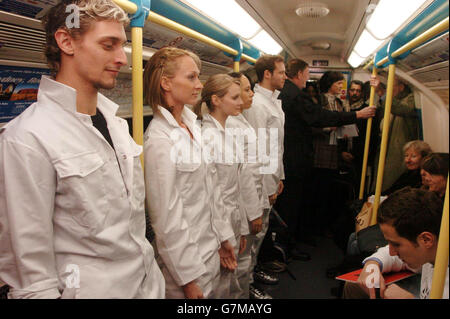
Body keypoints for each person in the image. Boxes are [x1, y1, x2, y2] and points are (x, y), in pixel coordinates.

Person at [0, 0, 165, 298]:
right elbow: (32, 280)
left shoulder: (115, 124)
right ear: (66, 42)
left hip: (148, 286)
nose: (122, 59)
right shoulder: (27, 139)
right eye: (108, 45)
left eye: (122, 46)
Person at [143, 47, 236, 299]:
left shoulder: (191, 127)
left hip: (212, 250)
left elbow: (212, 190)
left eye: (199, 77)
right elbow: (165, 218)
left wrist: (224, 237)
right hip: (187, 266)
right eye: (191, 77)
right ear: (166, 83)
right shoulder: (159, 139)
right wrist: (187, 278)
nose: (199, 84)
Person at [276, 58, 376, 260]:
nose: (307, 79)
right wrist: (357, 115)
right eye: (306, 74)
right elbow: (319, 117)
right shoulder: (295, 95)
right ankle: (285, 247)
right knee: (292, 205)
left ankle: (290, 242)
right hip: (294, 159)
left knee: (296, 203)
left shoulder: (290, 94)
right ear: (299, 74)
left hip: (294, 157)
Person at [195, 74, 261, 299]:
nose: (240, 102)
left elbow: (236, 187)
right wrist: (224, 237)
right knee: (218, 287)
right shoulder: (207, 137)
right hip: (214, 229)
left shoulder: (227, 133)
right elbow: (211, 195)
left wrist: (240, 227)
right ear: (216, 100)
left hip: (231, 221)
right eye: (234, 97)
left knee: (229, 284)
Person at [343, 187, 448, 299]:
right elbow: (393, 257)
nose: (391, 252)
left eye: (396, 244)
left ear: (426, 239)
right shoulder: (430, 253)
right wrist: (372, 264)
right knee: (354, 286)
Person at [242, 54, 287, 297]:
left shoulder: (271, 102)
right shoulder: (258, 105)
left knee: (260, 235)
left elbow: (276, 146)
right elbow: (260, 150)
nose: (284, 76)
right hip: (261, 182)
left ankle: (252, 271)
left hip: (271, 178)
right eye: (281, 72)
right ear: (267, 74)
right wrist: (268, 186)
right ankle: (247, 283)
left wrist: (279, 177)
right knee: (254, 235)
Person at [227, 72, 265, 299]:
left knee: (246, 258)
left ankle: (247, 290)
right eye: (247, 89)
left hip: (252, 201)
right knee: (240, 264)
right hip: (242, 207)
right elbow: (239, 178)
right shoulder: (231, 125)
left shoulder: (241, 119)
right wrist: (252, 213)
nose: (251, 94)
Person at [371, 76, 420, 193]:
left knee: (391, 184)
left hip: (399, 152)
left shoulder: (411, 99)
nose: (389, 91)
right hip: (387, 149)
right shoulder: (393, 102)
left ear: (401, 87)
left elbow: (401, 108)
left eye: (391, 88)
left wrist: (382, 93)